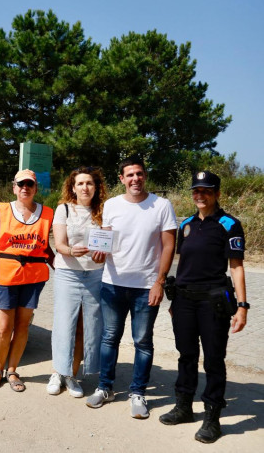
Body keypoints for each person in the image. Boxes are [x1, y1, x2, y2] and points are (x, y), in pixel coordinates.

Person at [159, 171, 249, 443]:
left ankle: (212, 417)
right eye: (196, 191)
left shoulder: (229, 224)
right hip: (184, 301)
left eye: (206, 191)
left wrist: (243, 306)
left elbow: (236, 267)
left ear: (217, 194)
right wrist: (174, 300)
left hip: (213, 301)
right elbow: (183, 264)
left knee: (213, 359)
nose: (200, 195)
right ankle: (184, 406)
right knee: (186, 354)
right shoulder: (185, 225)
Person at [85, 156, 177, 418]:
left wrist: (159, 282)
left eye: (139, 173)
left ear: (144, 176)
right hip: (112, 284)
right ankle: (105, 388)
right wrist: (98, 254)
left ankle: (138, 392)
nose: (135, 178)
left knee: (142, 342)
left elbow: (170, 245)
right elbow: (104, 242)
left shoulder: (161, 205)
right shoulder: (111, 205)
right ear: (121, 179)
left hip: (147, 287)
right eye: (130, 175)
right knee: (109, 338)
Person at [0, 169, 55, 392]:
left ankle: (13, 369)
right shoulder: (3, 210)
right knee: (5, 326)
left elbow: (48, 248)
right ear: (14, 187)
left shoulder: (47, 213)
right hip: (6, 275)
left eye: (30, 184)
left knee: (23, 326)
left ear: (35, 188)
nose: (25, 188)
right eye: (21, 184)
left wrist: (64, 266)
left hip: (33, 277)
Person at [48, 167, 107, 398]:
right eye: (80, 183)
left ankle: (72, 375)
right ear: (73, 187)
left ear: (96, 187)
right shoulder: (63, 209)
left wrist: (104, 253)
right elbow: (59, 245)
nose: (85, 187)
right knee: (64, 324)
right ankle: (57, 372)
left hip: (95, 275)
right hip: (68, 273)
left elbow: (108, 243)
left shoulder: (103, 211)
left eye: (89, 183)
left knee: (88, 326)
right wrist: (71, 250)